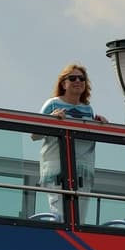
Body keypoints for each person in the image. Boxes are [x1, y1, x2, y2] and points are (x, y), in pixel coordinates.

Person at [39, 63, 110, 215]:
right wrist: (51, 120)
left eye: (81, 78)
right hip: (57, 170)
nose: (78, 81)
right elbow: (34, 134)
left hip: (82, 172)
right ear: (63, 83)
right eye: (72, 78)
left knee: (80, 216)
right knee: (59, 214)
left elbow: (87, 135)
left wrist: (99, 124)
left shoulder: (87, 109)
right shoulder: (52, 104)